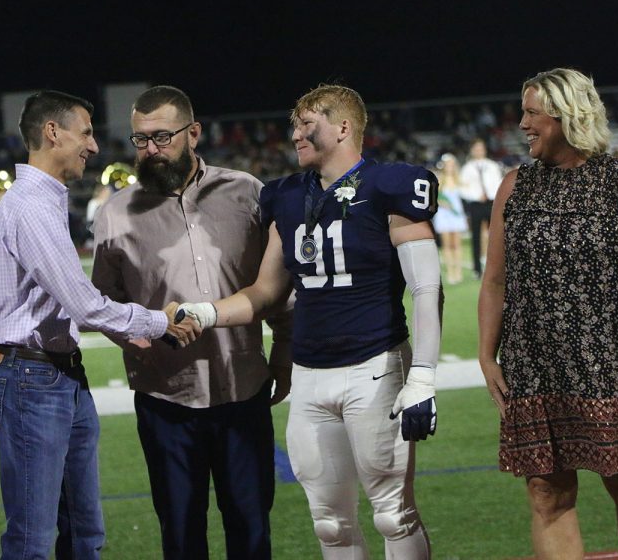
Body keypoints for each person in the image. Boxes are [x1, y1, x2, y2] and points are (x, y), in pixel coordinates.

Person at [178, 84, 442, 559]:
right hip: (310, 373)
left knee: (391, 513)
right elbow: (265, 292)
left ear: (343, 127)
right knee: (329, 524)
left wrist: (422, 375)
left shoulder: (391, 185)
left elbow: (426, 287)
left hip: (375, 366)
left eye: (307, 123)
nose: (295, 133)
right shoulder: (287, 196)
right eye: (294, 124)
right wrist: (207, 311)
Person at [0, 90, 199, 560]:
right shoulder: (32, 206)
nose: (94, 146)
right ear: (53, 132)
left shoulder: (43, 201)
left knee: (83, 536)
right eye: (87, 132)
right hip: (31, 379)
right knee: (32, 542)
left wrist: (130, 328)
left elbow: (72, 306)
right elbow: (84, 305)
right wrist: (162, 321)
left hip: (53, 375)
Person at [91, 86, 292, 560]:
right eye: (140, 140)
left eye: (162, 137)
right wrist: (131, 336)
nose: (150, 150)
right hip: (166, 398)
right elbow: (103, 303)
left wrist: (284, 348)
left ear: (193, 133)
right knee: (180, 537)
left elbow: (275, 283)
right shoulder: (115, 214)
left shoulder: (245, 191)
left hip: (242, 390)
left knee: (252, 529)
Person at [478, 68, 618, 559]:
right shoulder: (514, 186)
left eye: (531, 112)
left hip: (611, 363)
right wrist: (487, 356)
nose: (521, 123)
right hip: (534, 367)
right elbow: (496, 281)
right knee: (548, 493)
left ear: (568, 115)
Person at [459, 138, 502, 278]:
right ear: (472, 150)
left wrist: (490, 194)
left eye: (481, 148)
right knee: (476, 237)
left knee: (496, 236)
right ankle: (477, 269)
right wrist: (478, 196)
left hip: (491, 203)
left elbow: (499, 184)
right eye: (476, 148)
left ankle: (497, 267)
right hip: (476, 204)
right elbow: (463, 189)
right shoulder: (467, 168)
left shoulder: (492, 166)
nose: (479, 151)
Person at [432, 153, 468, 284]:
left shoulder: (459, 179)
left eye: (452, 164)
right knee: (447, 245)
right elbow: (433, 198)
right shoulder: (439, 180)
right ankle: (451, 272)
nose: (450, 167)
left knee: (457, 244)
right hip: (443, 215)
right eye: (448, 164)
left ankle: (458, 272)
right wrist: (441, 203)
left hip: (456, 214)